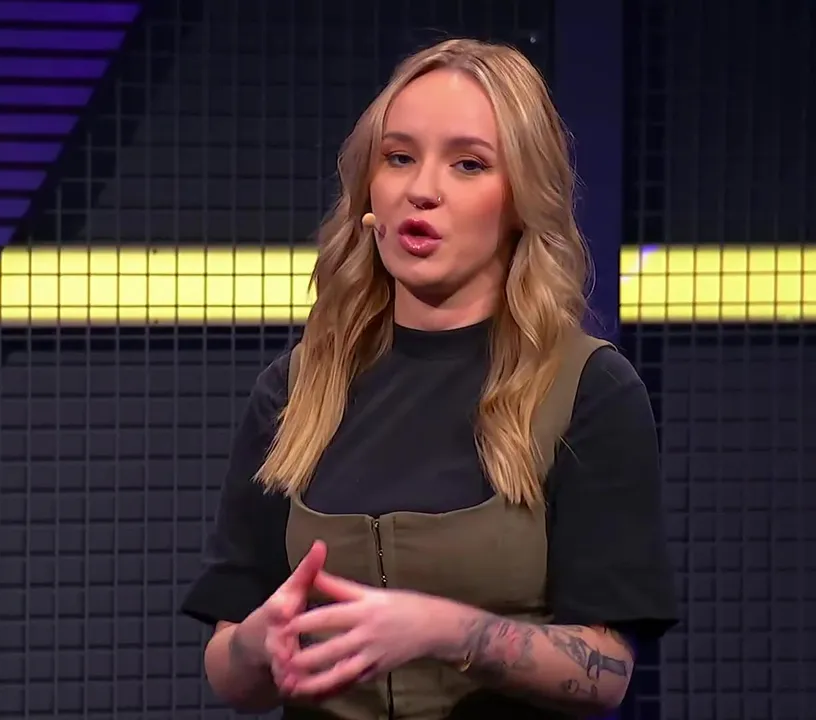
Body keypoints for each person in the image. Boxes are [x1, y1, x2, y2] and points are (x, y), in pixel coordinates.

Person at [181, 38, 677, 719]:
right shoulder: (296, 391)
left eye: (468, 164)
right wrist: (256, 644)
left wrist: (447, 631)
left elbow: (607, 672)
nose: (422, 190)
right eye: (399, 157)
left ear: (520, 202)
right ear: (369, 193)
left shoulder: (589, 390)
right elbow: (230, 673)